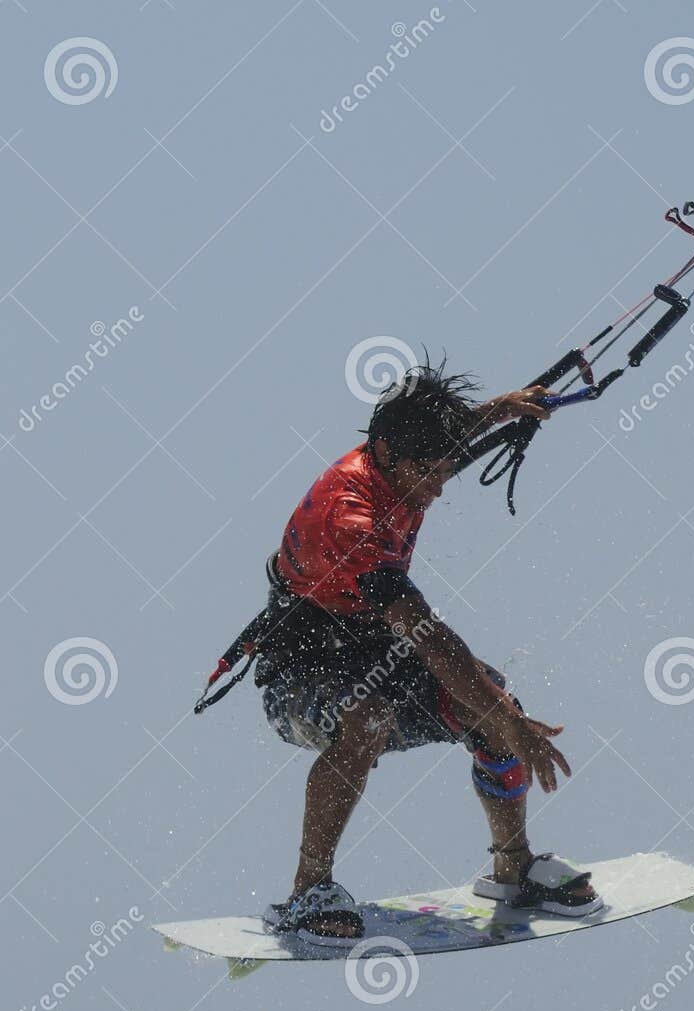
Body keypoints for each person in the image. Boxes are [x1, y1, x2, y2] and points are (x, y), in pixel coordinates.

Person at [249, 361, 602, 941]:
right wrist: (502, 716)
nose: (439, 487)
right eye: (428, 473)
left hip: (374, 650)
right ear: (386, 455)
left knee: (488, 701)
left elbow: (450, 437)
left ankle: (512, 867)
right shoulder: (349, 516)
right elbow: (426, 633)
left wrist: (504, 406)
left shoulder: (407, 457)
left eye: (446, 468)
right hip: (303, 667)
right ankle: (307, 892)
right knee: (380, 718)